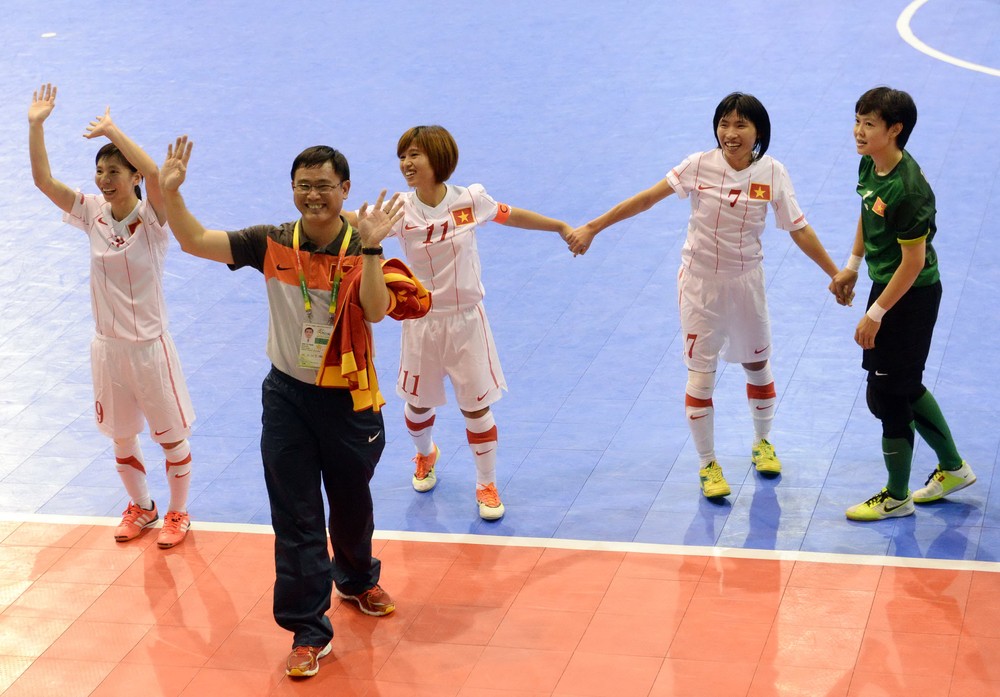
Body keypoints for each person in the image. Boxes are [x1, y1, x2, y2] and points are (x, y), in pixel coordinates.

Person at [159, 136, 430, 679]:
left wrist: (374, 250)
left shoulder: (363, 243)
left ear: (344, 189)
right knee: (298, 516)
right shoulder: (272, 242)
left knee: (351, 503)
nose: (313, 196)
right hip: (286, 398)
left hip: (350, 401)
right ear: (292, 190)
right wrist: (171, 195)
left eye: (324, 186)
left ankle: (355, 578)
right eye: (303, 186)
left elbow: (377, 311)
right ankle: (308, 629)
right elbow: (193, 241)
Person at [567, 92, 843, 498]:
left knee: (758, 363)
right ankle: (708, 464)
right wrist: (593, 226)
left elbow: (799, 228)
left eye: (741, 125)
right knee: (701, 374)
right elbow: (645, 199)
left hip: (746, 282)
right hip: (700, 286)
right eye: (724, 124)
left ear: (759, 132)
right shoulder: (698, 165)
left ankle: (762, 442)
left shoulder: (773, 173)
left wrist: (835, 274)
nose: (730, 134)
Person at [28, 84, 195, 548]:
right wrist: (36, 125)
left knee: (170, 437)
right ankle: (142, 507)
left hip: (150, 348)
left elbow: (158, 177)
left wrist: (113, 130)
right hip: (108, 348)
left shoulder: (155, 218)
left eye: (114, 170)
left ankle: (178, 512)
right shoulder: (91, 212)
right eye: (99, 170)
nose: (104, 178)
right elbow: (44, 182)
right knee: (121, 437)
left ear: (133, 176)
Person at [377, 125, 572, 520]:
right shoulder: (399, 208)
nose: (406, 163)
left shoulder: (470, 200)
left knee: (476, 409)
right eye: (403, 156)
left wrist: (559, 226)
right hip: (421, 323)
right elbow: (355, 222)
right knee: (416, 405)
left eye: (415, 154)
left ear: (439, 159)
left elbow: (511, 215)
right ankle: (425, 454)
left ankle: (486, 483)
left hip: (467, 322)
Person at [830, 87, 972, 522]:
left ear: (895, 130)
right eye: (857, 120)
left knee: (889, 395)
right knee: (900, 387)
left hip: (910, 295)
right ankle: (952, 469)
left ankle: (897, 497)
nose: (858, 130)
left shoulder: (908, 191)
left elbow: (912, 263)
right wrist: (853, 265)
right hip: (886, 283)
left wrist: (876, 314)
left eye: (869, 124)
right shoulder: (871, 161)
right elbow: (866, 211)